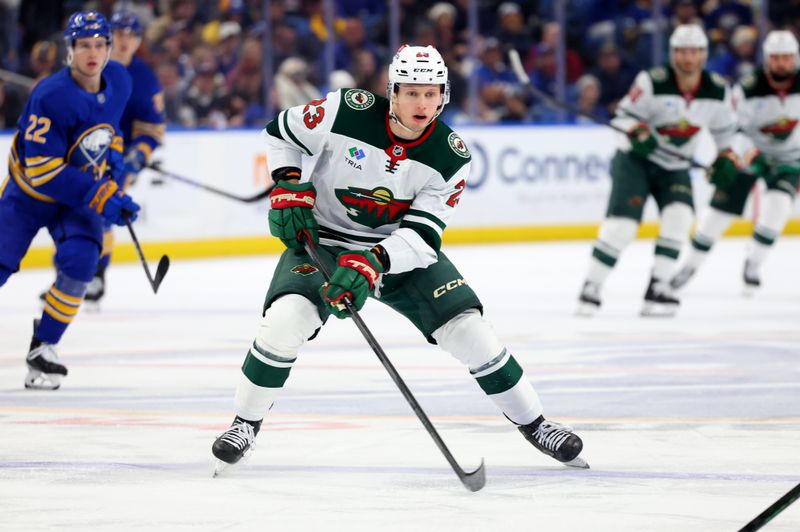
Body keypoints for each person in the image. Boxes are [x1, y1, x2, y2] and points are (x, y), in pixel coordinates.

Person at [211, 45, 588, 473]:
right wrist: (286, 182)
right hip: (325, 243)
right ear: (392, 92)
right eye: (411, 93)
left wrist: (373, 262)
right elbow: (280, 132)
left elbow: (423, 235)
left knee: (471, 331)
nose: (421, 104)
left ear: (444, 95)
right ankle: (245, 424)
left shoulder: (452, 155)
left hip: (397, 253)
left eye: (431, 93)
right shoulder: (346, 110)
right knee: (285, 320)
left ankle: (535, 424)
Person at [0, 11, 139, 390]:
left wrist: (114, 160)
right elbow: (43, 170)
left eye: (99, 44)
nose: (92, 53)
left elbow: (108, 131)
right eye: (83, 45)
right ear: (70, 50)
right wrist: (101, 194)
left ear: (109, 48)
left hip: (75, 199)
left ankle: (43, 347)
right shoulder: (51, 94)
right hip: (27, 196)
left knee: (81, 263)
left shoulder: (120, 81)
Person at [577, 25, 738, 317]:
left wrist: (726, 157)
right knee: (622, 227)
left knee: (680, 217)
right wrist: (636, 132)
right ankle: (592, 285)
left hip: (675, 165)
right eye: (682, 52)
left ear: (703, 55)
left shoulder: (717, 90)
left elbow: (726, 135)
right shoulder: (652, 82)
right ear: (673, 54)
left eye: (694, 52)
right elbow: (623, 120)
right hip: (634, 161)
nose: (688, 58)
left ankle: (659, 287)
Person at [671, 31, 800, 294]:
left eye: (787, 57)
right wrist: (750, 153)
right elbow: (735, 128)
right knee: (717, 215)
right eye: (777, 58)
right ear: (767, 59)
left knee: (778, 207)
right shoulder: (748, 88)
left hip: (790, 159)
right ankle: (690, 265)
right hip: (750, 156)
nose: (782, 63)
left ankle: (753, 263)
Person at [85, 10, 165, 304]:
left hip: (118, 158)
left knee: (102, 210)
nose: (124, 40)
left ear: (139, 40)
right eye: (119, 33)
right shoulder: (90, 67)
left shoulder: (145, 78)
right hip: (83, 153)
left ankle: (95, 276)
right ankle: (77, 275)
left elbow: (152, 128)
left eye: (131, 35)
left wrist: (138, 155)